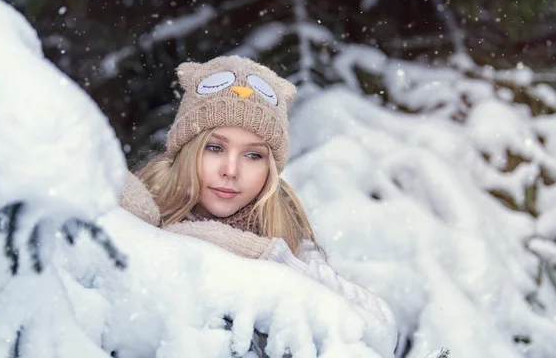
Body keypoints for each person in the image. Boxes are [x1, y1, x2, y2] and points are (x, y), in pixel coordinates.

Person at [119, 55, 398, 355]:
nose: (231, 170)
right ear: (187, 150)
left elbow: (378, 330)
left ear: (270, 169)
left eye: (253, 155)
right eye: (214, 148)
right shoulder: (142, 208)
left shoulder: (281, 237)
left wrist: (268, 258)